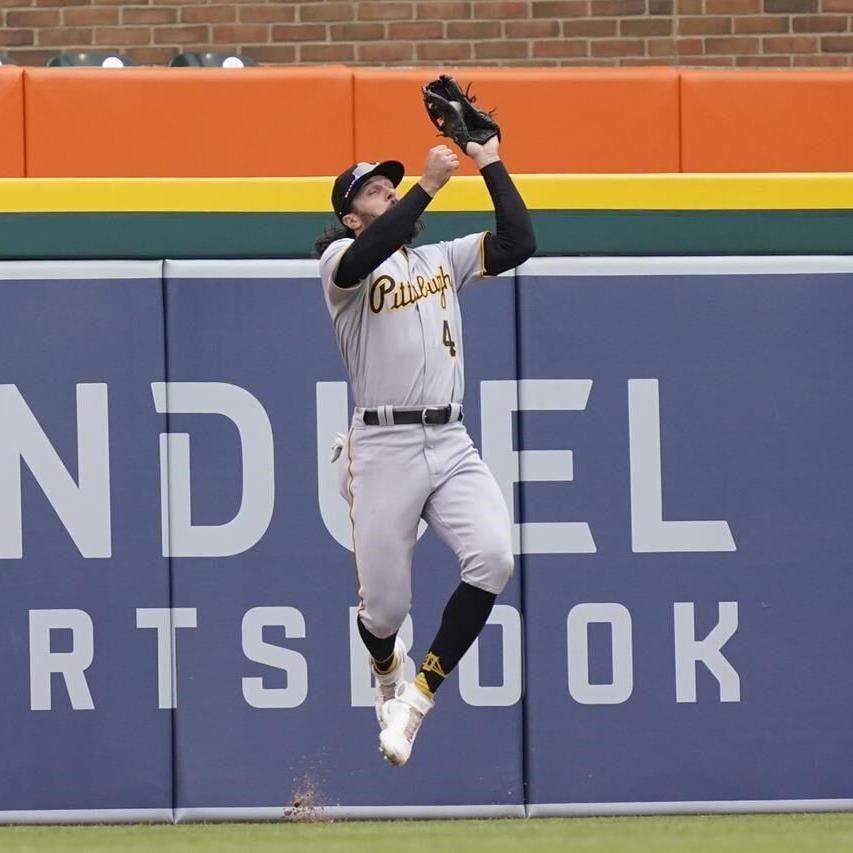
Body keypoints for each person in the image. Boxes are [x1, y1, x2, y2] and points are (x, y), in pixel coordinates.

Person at [315, 135, 535, 767]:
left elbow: (520, 242)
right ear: (351, 218)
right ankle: (385, 665)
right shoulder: (339, 262)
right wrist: (430, 184)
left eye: (390, 185)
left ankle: (417, 695)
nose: (387, 192)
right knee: (385, 610)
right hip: (382, 445)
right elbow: (364, 260)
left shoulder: (440, 258)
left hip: (450, 438)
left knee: (493, 559)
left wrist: (487, 157)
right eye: (373, 192)